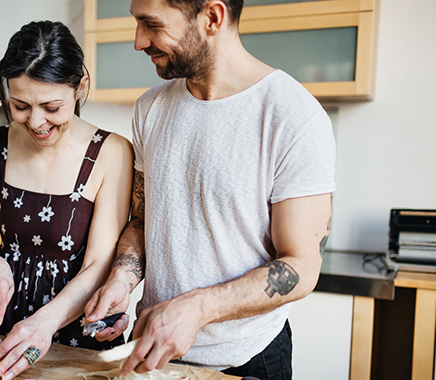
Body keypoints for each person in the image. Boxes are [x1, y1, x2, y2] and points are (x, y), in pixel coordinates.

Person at [83, 0, 335, 379]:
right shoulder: (151, 107)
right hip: (155, 351)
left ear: (212, 17)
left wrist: (196, 309)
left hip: (248, 359)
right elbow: (143, 220)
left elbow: (301, 266)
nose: (138, 41)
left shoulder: (292, 116)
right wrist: (123, 279)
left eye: (151, 24)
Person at [0, 21, 133, 380]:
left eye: (51, 107)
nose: (35, 122)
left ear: (79, 87)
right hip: (3, 333)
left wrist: (44, 324)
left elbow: (99, 263)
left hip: (79, 334)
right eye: (20, 105)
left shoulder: (111, 152)